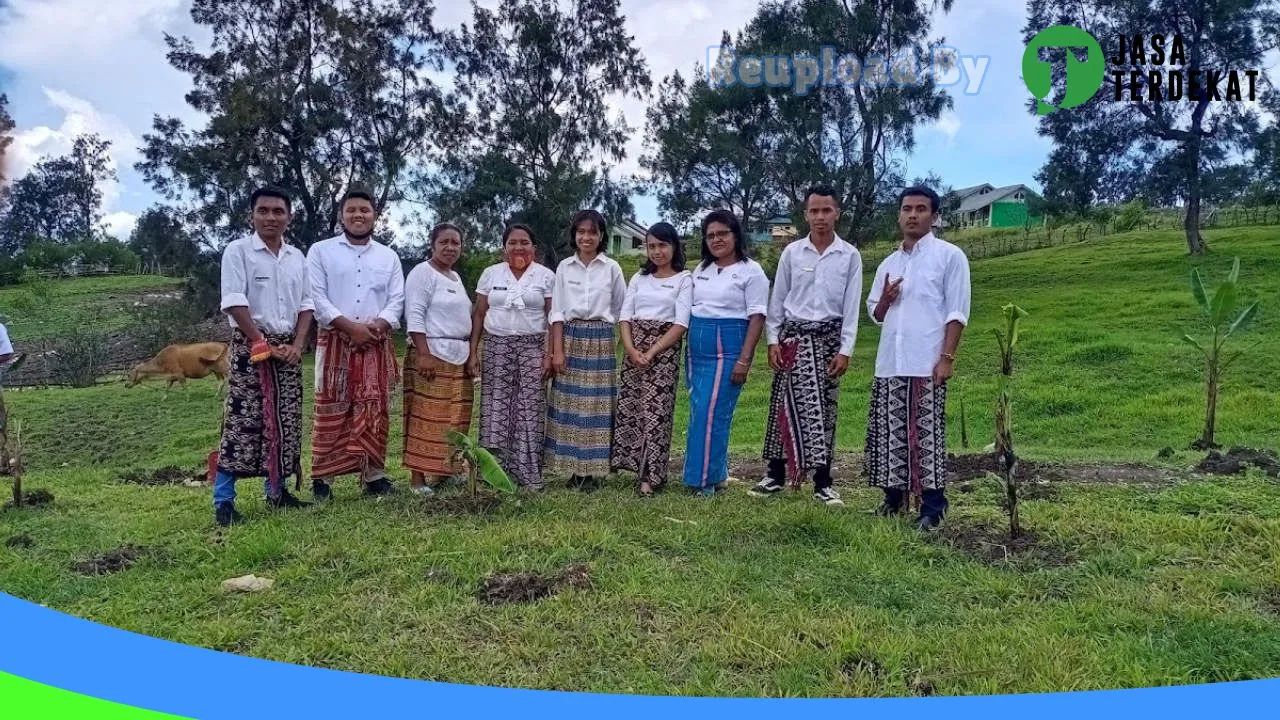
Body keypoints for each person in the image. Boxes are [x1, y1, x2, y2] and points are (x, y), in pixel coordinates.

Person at [864, 185, 971, 531]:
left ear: (934, 216)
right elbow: (876, 314)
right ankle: (892, 500)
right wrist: (885, 299)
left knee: (927, 435)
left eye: (921, 209)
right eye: (907, 209)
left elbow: (957, 311)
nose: (913, 215)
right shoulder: (888, 264)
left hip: (927, 362)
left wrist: (947, 357)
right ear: (899, 215)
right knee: (891, 433)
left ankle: (933, 507)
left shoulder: (949, 256)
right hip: (890, 363)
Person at [751, 186, 863, 506]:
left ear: (837, 213)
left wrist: (846, 349)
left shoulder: (849, 255)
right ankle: (775, 475)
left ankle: (822, 482)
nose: (820, 217)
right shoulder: (792, 253)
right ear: (805, 215)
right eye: (814, 211)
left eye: (826, 210)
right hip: (793, 341)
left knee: (824, 412)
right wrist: (772, 339)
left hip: (828, 342)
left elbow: (851, 306)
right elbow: (778, 300)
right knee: (782, 409)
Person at [213, 186, 315, 526]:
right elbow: (233, 300)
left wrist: (298, 345)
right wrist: (262, 342)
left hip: (288, 349)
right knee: (244, 421)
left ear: (289, 216)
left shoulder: (296, 257)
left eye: (278, 211)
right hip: (250, 346)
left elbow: (306, 305)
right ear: (252, 214)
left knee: (285, 421)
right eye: (264, 211)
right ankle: (224, 501)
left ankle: (277, 491)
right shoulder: (239, 251)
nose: (271, 217)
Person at [306, 189, 405, 500]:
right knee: (331, 406)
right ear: (341, 215)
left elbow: (396, 299)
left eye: (365, 210)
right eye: (352, 210)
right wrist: (350, 328)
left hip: (375, 342)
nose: (358, 215)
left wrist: (376, 325)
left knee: (375, 407)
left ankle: (374, 475)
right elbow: (315, 297)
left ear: (375, 216)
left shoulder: (388, 256)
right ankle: (324, 479)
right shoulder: (320, 251)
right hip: (336, 341)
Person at [682, 210, 769, 496]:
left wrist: (744, 359)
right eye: (710, 235)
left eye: (722, 233)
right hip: (698, 347)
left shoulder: (751, 270)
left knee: (712, 412)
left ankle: (701, 480)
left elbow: (757, 317)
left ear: (736, 235)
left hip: (728, 347)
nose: (716, 239)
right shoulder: (701, 270)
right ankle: (717, 473)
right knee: (701, 412)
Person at [466, 223, 556, 491]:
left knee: (530, 407)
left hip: (532, 347)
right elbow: (479, 314)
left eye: (525, 242)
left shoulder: (545, 276)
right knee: (496, 407)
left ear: (534, 247)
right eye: (513, 242)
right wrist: (473, 351)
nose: (519, 247)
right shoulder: (490, 274)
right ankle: (494, 473)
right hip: (497, 346)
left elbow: (552, 318)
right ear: (504, 247)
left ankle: (528, 474)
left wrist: (549, 354)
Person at [544, 209, 627, 492]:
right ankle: (572, 470)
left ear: (601, 235)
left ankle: (592, 471)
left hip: (601, 338)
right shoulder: (564, 267)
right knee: (569, 403)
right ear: (574, 235)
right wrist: (557, 351)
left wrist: (609, 334)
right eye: (581, 232)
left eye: (592, 232)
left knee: (595, 406)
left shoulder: (611, 268)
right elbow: (556, 312)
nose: (586, 237)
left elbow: (620, 307)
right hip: (570, 336)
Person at [611, 222, 692, 497]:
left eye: (663, 245)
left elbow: (681, 323)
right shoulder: (638, 278)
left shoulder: (684, 279)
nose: (657, 251)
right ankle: (634, 466)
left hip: (664, 353)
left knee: (656, 413)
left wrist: (653, 351)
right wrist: (632, 350)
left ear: (674, 247)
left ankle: (652, 475)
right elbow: (624, 316)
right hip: (634, 352)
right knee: (634, 412)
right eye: (652, 246)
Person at [402, 223, 475, 495]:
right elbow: (416, 314)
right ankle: (417, 479)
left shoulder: (455, 278)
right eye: (444, 242)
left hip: (458, 357)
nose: (450, 247)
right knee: (425, 416)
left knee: (455, 417)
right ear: (432, 244)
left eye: (455, 243)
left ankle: (447, 470)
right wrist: (423, 353)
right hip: (431, 354)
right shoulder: (423, 273)